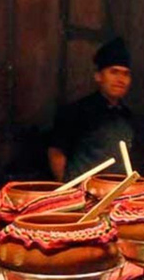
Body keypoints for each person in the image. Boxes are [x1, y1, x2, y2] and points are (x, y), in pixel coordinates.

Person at [48, 38, 136, 182]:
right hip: (84, 195)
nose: (120, 79)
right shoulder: (75, 112)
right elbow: (56, 152)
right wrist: (67, 188)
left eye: (126, 74)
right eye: (114, 72)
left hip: (120, 195)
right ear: (98, 76)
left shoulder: (129, 116)